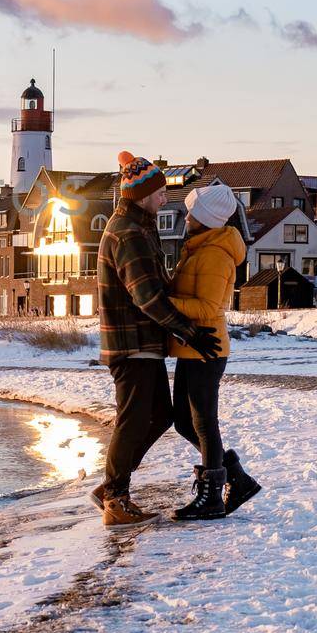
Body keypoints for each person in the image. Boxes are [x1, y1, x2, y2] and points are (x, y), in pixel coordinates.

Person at [94, 151, 222, 526]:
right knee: (132, 420)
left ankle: (111, 488)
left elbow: (155, 288)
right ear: (143, 194)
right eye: (161, 193)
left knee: (160, 416)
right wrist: (188, 329)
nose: (166, 199)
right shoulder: (129, 232)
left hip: (142, 343)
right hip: (131, 343)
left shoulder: (139, 225)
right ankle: (114, 497)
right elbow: (147, 296)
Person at [166, 183, 262, 521]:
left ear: (204, 220)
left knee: (204, 423)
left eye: (192, 213)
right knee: (184, 422)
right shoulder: (199, 248)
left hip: (206, 347)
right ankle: (236, 477)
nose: (186, 217)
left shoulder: (214, 254)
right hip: (192, 346)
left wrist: (163, 302)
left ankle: (211, 496)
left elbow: (209, 306)